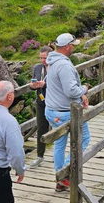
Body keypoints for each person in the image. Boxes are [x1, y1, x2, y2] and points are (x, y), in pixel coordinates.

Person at [44, 33, 90, 192]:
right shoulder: (63, 65)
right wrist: (83, 89)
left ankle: (61, 177)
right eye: (73, 45)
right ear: (67, 46)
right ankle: (65, 173)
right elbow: (70, 91)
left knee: (59, 143)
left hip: (52, 110)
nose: (74, 47)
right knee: (84, 139)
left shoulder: (53, 61)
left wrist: (80, 95)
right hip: (64, 112)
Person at [29, 45, 52, 168]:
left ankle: (60, 154)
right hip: (41, 101)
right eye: (41, 58)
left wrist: (45, 84)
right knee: (41, 128)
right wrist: (33, 85)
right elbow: (33, 82)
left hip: (54, 102)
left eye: (45, 58)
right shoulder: (38, 68)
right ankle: (39, 156)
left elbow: (58, 84)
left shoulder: (56, 68)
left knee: (58, 128)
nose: (43, 60)